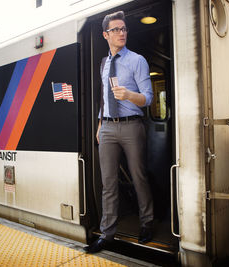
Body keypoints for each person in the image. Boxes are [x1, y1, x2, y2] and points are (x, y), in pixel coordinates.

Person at [84, 10, 154, 254]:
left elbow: (147, 99)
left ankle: (147, 223)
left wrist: (129, 95)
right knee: (108, 183)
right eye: (116, 30)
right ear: (106, 35)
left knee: (138, 177)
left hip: (132, 125)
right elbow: (104, 98)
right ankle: (107, 233)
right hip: (108, 127)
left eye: (124, 29)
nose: (121, 33)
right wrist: (100, 125)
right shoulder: (104, 64)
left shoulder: (137, 60)